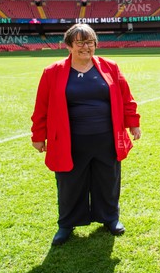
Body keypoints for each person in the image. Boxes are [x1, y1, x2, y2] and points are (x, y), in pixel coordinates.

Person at [31, 23, 141, 246]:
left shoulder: (110, 67)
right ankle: (67, 223)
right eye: (79, 42)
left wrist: (133, 123)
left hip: (106, 138)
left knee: (108, 180)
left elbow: (126, 98)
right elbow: (41, 107)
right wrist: (38, 135)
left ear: (95, 44)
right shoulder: (53, 72)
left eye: (89, 42)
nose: (85, 47)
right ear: (69, 46)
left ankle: (109, 218)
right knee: (69, 183)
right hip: (69, 140)